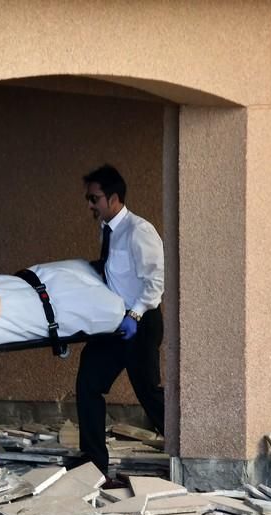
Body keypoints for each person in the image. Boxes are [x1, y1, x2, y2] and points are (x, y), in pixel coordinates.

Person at [77, 164, 165, 480]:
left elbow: (155, 280)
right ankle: (93, 461)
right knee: (88, 383)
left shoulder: (139, 231)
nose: (90, 204)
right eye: (88, 198)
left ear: (114, 198)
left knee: (148, 392)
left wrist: (136, 314)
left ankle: (189, 452)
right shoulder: (108, 230)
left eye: (94, 198)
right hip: (114, 324)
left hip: (139, 322)